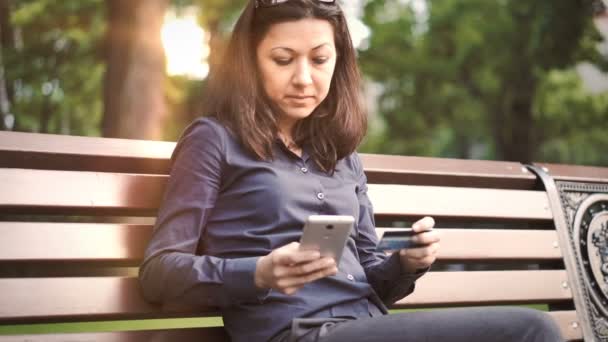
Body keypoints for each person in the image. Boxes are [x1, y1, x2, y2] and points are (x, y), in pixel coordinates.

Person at [139, 1, 563, 341]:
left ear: (338, 62)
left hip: (365, 324)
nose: (304, 78)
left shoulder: (341, 155)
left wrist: (405, 262)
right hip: (295, 331)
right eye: (283, 59)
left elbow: (372, 280)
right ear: (249, 62)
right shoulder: (213, 139)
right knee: (532, 329)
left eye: (320, 59)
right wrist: (257, 273)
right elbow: (159, 274)